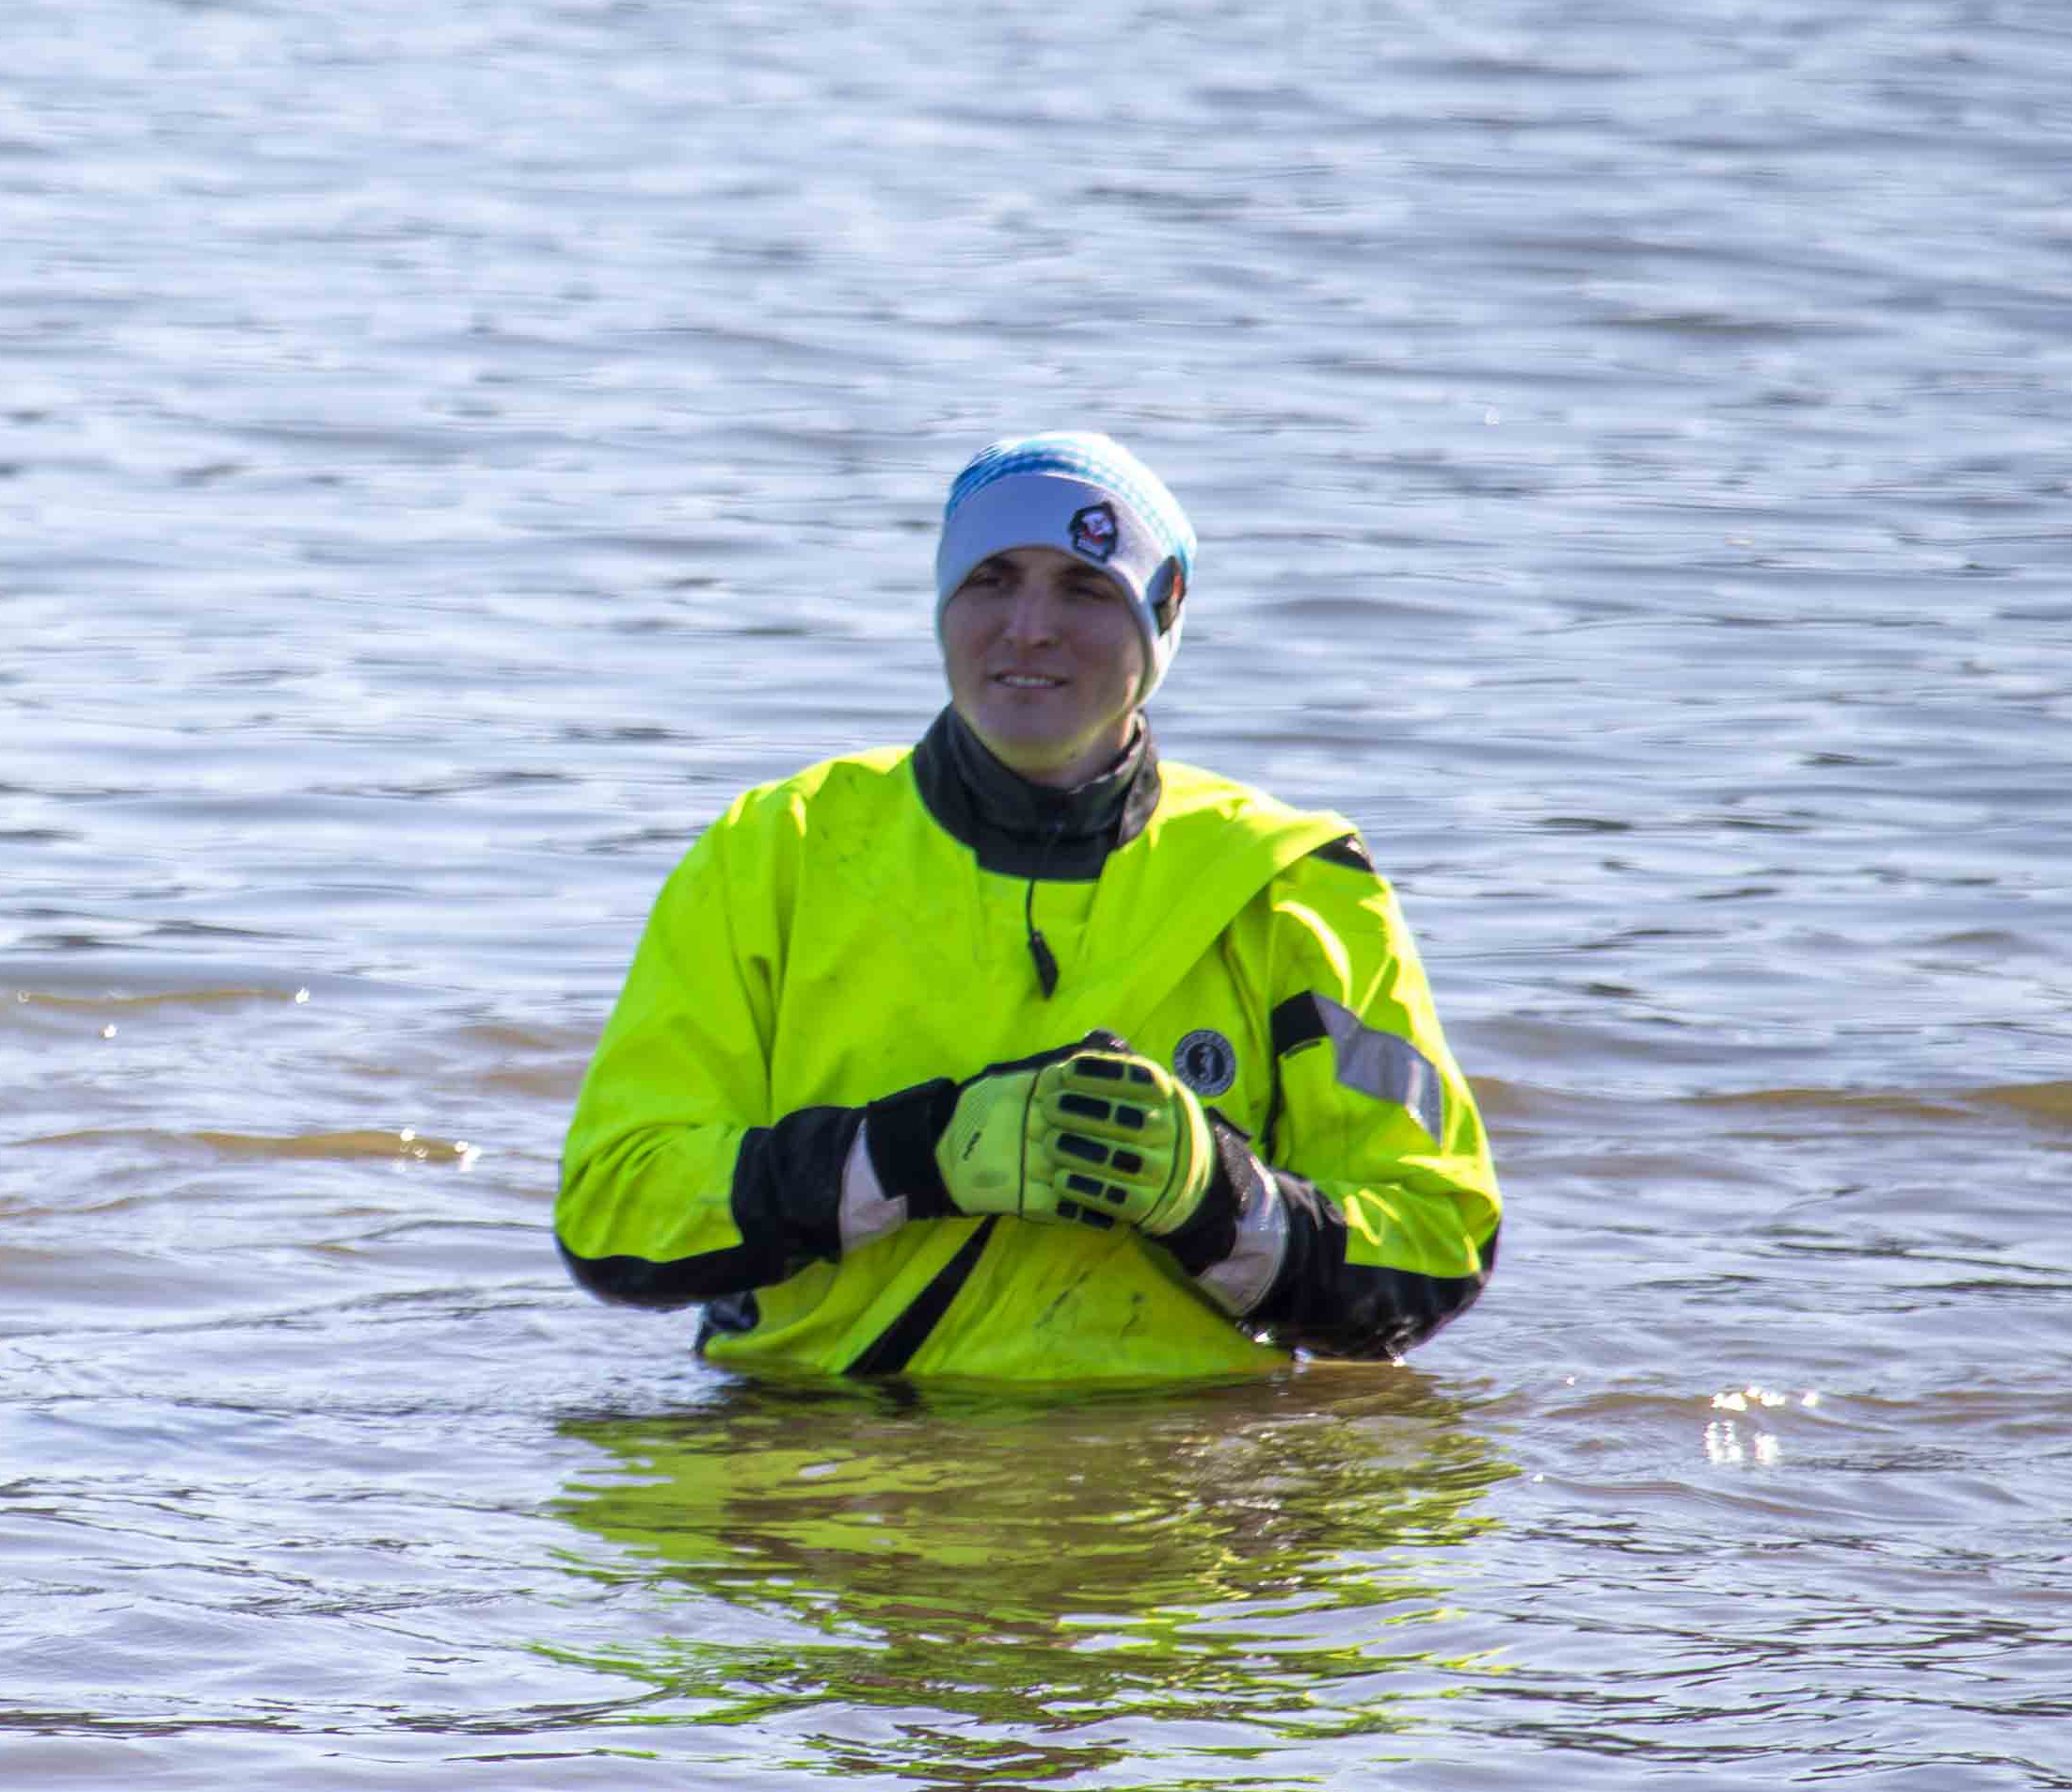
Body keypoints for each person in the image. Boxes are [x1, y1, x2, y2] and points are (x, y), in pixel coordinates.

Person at [554, 432, 1496, 1391]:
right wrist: (910, 1157)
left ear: (1161, 616)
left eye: (1085, 588)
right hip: (814, 1450)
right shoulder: (777, 848)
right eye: (992, 580)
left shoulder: (1293, 883)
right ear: (943, 606)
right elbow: (614, 1216)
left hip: (1173, 1470)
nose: (1029, 627)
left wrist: (1214, 1198)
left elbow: (1436, 1243)